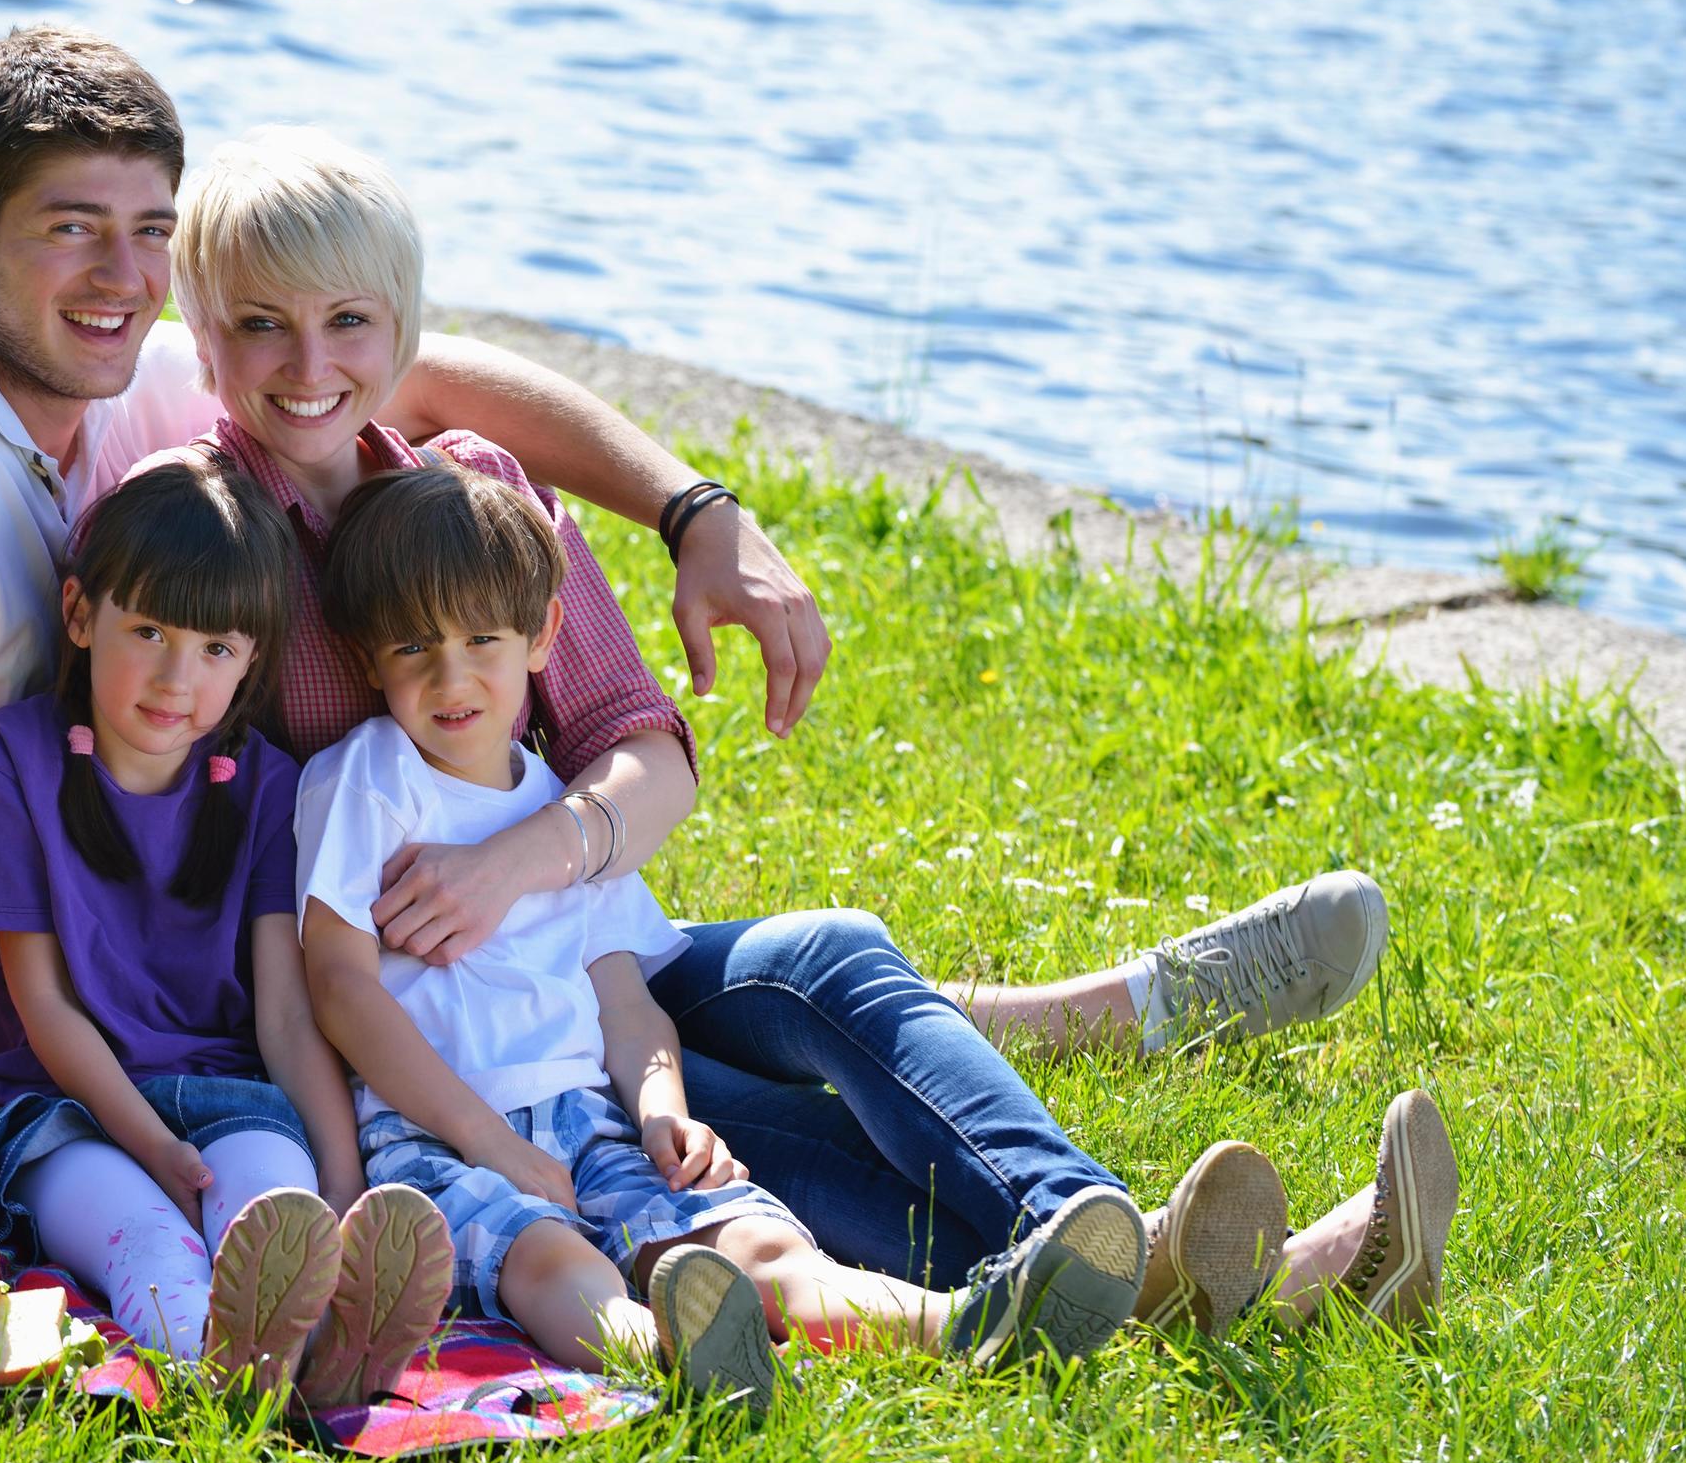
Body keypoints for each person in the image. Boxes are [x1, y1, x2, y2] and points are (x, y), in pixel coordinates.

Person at [157, 124, 1458, 1336]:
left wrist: (526, 857)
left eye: (347, 323)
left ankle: (1091, 1224)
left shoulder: (477, 489)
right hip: (448, 1033)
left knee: (830, 955)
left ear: (399, 332)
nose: (309, 363)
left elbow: (643, 751)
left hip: (595, 946)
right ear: (201, 340)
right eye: (261, 327)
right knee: (745, 1140)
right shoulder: (205, 549)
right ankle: (1190, 1282)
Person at [0, 26, 833, 1145]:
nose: (122, 274)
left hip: (200, 970)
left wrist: (693, 510)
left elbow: (423, 374)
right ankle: (903, 1203)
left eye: (151, 230)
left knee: (730, 986)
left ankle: (933, 1044)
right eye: (73, 225)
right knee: (616, 1080)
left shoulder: (89, 361)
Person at [298, 461, 1151, 1398]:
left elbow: (624, 1006)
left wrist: (665, 1109)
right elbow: (340, 986)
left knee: (757, 1239)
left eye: (480, 640)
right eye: (412, 648)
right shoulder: (369, 776)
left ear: (542, 636)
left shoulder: (557, 810)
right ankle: (674, 1357)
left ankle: (972, 1327)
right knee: (551, 1266)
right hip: (437, 1129)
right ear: (367, 655)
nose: (449, 676)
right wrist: (487, 1139)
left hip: (594, 1118)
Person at [0, 456, 451, 1401]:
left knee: (274, 1212)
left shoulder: (265, 789)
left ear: (253, 659)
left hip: (224, 1097)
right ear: (81, 615)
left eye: (218, 648)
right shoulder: (10, 760)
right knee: (148, 1239)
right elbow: (42, 1006)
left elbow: (288, 1021)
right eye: (149, 631)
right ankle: (225, 1379)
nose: (178, 677)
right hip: (54, 1112)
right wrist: (149, 1143)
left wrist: (343, 1184)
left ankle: (325, 1347)